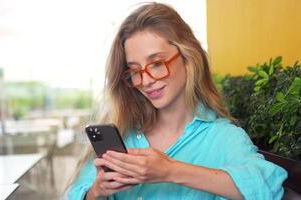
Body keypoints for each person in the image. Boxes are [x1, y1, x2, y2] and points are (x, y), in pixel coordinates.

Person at [65, 2, 287, 200]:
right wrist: (97, 192)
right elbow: (75, 194)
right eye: (134, 71)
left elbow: (267, 188)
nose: (145, 81)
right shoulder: (124, 134)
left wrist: (170, 171)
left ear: (188, 57)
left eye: (157, 64)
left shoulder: (223, 138)